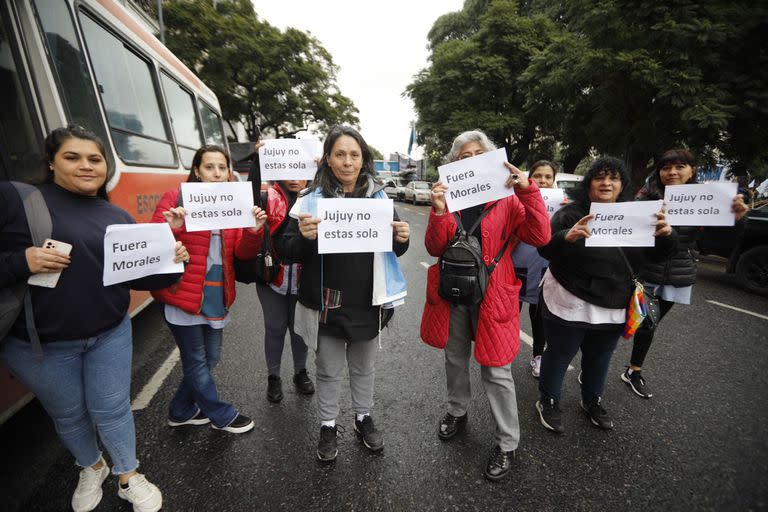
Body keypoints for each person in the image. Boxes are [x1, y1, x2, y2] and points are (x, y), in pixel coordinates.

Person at [0, 125, 187, 512]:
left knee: (112, 408)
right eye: (72, 157)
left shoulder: (114, 214)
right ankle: (91, 466)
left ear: (105, 167)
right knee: (67, 414)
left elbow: (139, 275)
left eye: (95, 159)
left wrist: (173, 261)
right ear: (51, 162)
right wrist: (22, 261)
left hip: (109, 335)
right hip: (38, 345)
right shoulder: (14, 199)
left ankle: (128, 474)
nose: (85, 166)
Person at [421, 130, 551, 482]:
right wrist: (438, 211)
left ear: (491, 158)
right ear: (455, 163)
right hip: (453, 290)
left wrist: (528, 189)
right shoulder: (448, 196)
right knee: (454, 357)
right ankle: (457, 410)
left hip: (494, 293)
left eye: (480, 153)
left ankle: (507, 442)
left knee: (496, 370)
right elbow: (435, 247)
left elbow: (540, 237)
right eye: (465, 155)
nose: (473, 158)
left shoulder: (508, 197)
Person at [282, 125, 409, 462]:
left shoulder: (380, 197)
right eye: (340, 154)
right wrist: (304, 238)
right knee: (327, 369)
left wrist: (403, 238)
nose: (348, 162)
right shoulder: (308, 200)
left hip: (368, 301)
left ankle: (363, 418)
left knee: (364, 367)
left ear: (363, 159)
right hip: (325, 301)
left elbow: (397, 248)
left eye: (354, 155)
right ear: (328, 158)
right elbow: (286, 250)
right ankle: (327, 424)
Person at [535, 156, 677, 434]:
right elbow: (545, 249)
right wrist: (567, 237)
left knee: (600, 357)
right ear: (589, 184)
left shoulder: (638, 215)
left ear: (622, 185)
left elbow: (657, 257)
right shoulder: (570, 214)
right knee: (560, 353)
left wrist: (667, 235)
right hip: (569, 298)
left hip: (614, 300)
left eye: (613, 178)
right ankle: (548, 400)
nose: (606, 183)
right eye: (599, 177)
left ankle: (592, 400)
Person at [151, 145, 266, 434]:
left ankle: (180, 411)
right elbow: (153, 245)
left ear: (229, 172)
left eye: (222, 167)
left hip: (217, 294)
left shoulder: (236, 203)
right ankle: (221, 414)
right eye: (209, 167)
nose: (216, 173)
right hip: (183, 294)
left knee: (210, 357)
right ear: (197, 171)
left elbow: (242, 252)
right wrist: (174, 227)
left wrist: (254, 231)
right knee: (197, 359)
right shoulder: (175, 198)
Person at [623, 149, 749, 398]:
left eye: (679, 167)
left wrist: (737, 219)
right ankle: (597, 362)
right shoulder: (646, 196)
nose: (671, 172)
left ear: (692, 171)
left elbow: (718, 240)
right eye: (666, 167)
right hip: (645, 271)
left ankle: (634, 371)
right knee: (629, 321)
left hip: (678, 274)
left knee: (650, 323)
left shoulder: (706, 199)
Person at [257, 178, 315, 402]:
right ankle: (274, 377)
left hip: (303, 278)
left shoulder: (317, 197)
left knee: (299, 329)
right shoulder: (265, 197)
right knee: (274, 328)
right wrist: (256, 165)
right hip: (271, 277)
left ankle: (300, 372)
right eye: (289, 170)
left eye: (300, 170)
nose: (294, 177)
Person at [512, 160, 559, 378]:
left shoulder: (562, 204)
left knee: (539, 315)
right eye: (538, 175)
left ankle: (538, 356)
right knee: (511, 312)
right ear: (530, 177)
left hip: (544, 266)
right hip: (517, 264)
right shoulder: (516, 198)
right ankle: (505, 353)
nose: (543, 180)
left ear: (554, 180)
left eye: (548, 177)